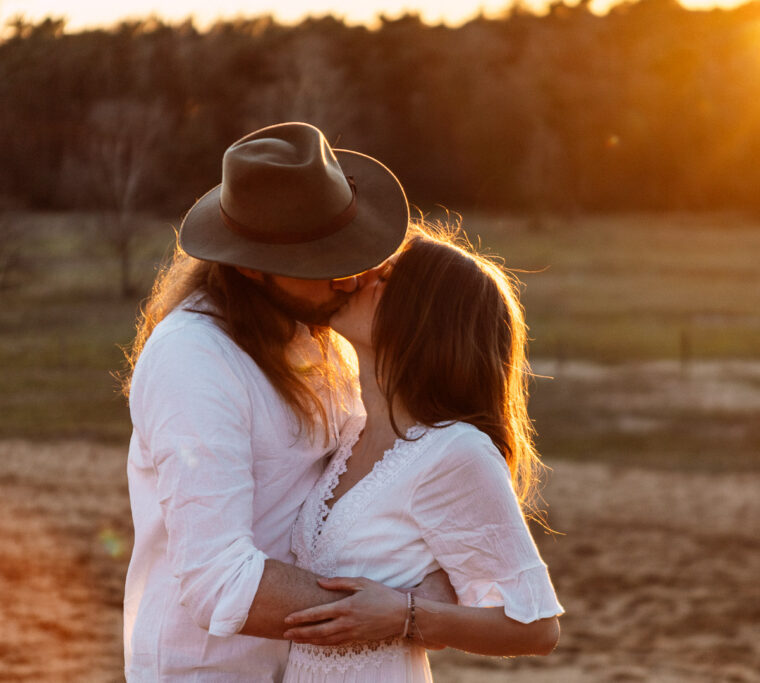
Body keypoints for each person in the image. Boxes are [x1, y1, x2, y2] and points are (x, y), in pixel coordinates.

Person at [121, 122, 452, 681]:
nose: (348, 279)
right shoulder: (194, 358)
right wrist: (401, 612)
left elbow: (386, 479)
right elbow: (218, 580)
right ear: (250, 266)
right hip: (212, 672)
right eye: (321, 262)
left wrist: (427, 590)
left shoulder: (323, 330)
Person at [277, 224, 564, 682]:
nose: (359, 278)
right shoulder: (347, 430)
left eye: (384, 278)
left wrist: (405, 615)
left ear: (425, 317)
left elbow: (537, 628)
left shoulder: (455, 450)